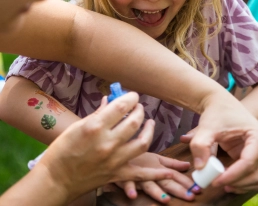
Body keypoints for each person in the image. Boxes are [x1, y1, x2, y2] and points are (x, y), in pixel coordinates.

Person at [2, 0, 258, 204]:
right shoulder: (79, 14)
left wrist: (234, 114)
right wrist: (105, 151)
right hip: (87, 187)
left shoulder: (218, 10)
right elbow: (14, 96)